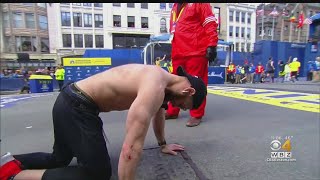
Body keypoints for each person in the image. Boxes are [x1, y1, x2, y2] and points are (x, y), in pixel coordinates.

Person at [0, 64, 207, 180]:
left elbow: (159, 113)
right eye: (185, 105)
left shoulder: (163, 86)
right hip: (77, 106)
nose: (180, 109)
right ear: (188, 91)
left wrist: (162, 144)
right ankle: (13, 175)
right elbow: (131, 147)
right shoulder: (155, 85)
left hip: (70, 100)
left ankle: (6, 161)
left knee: (59, 159)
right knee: (97, 175)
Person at [166, 3, 218, 127]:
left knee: (197, 83)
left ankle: (196, 114)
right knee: (175, 83)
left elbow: (209, 22)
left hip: (195, 50)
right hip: (178, 51)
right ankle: (173, 110)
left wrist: (212, 44)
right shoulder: (175, 6)